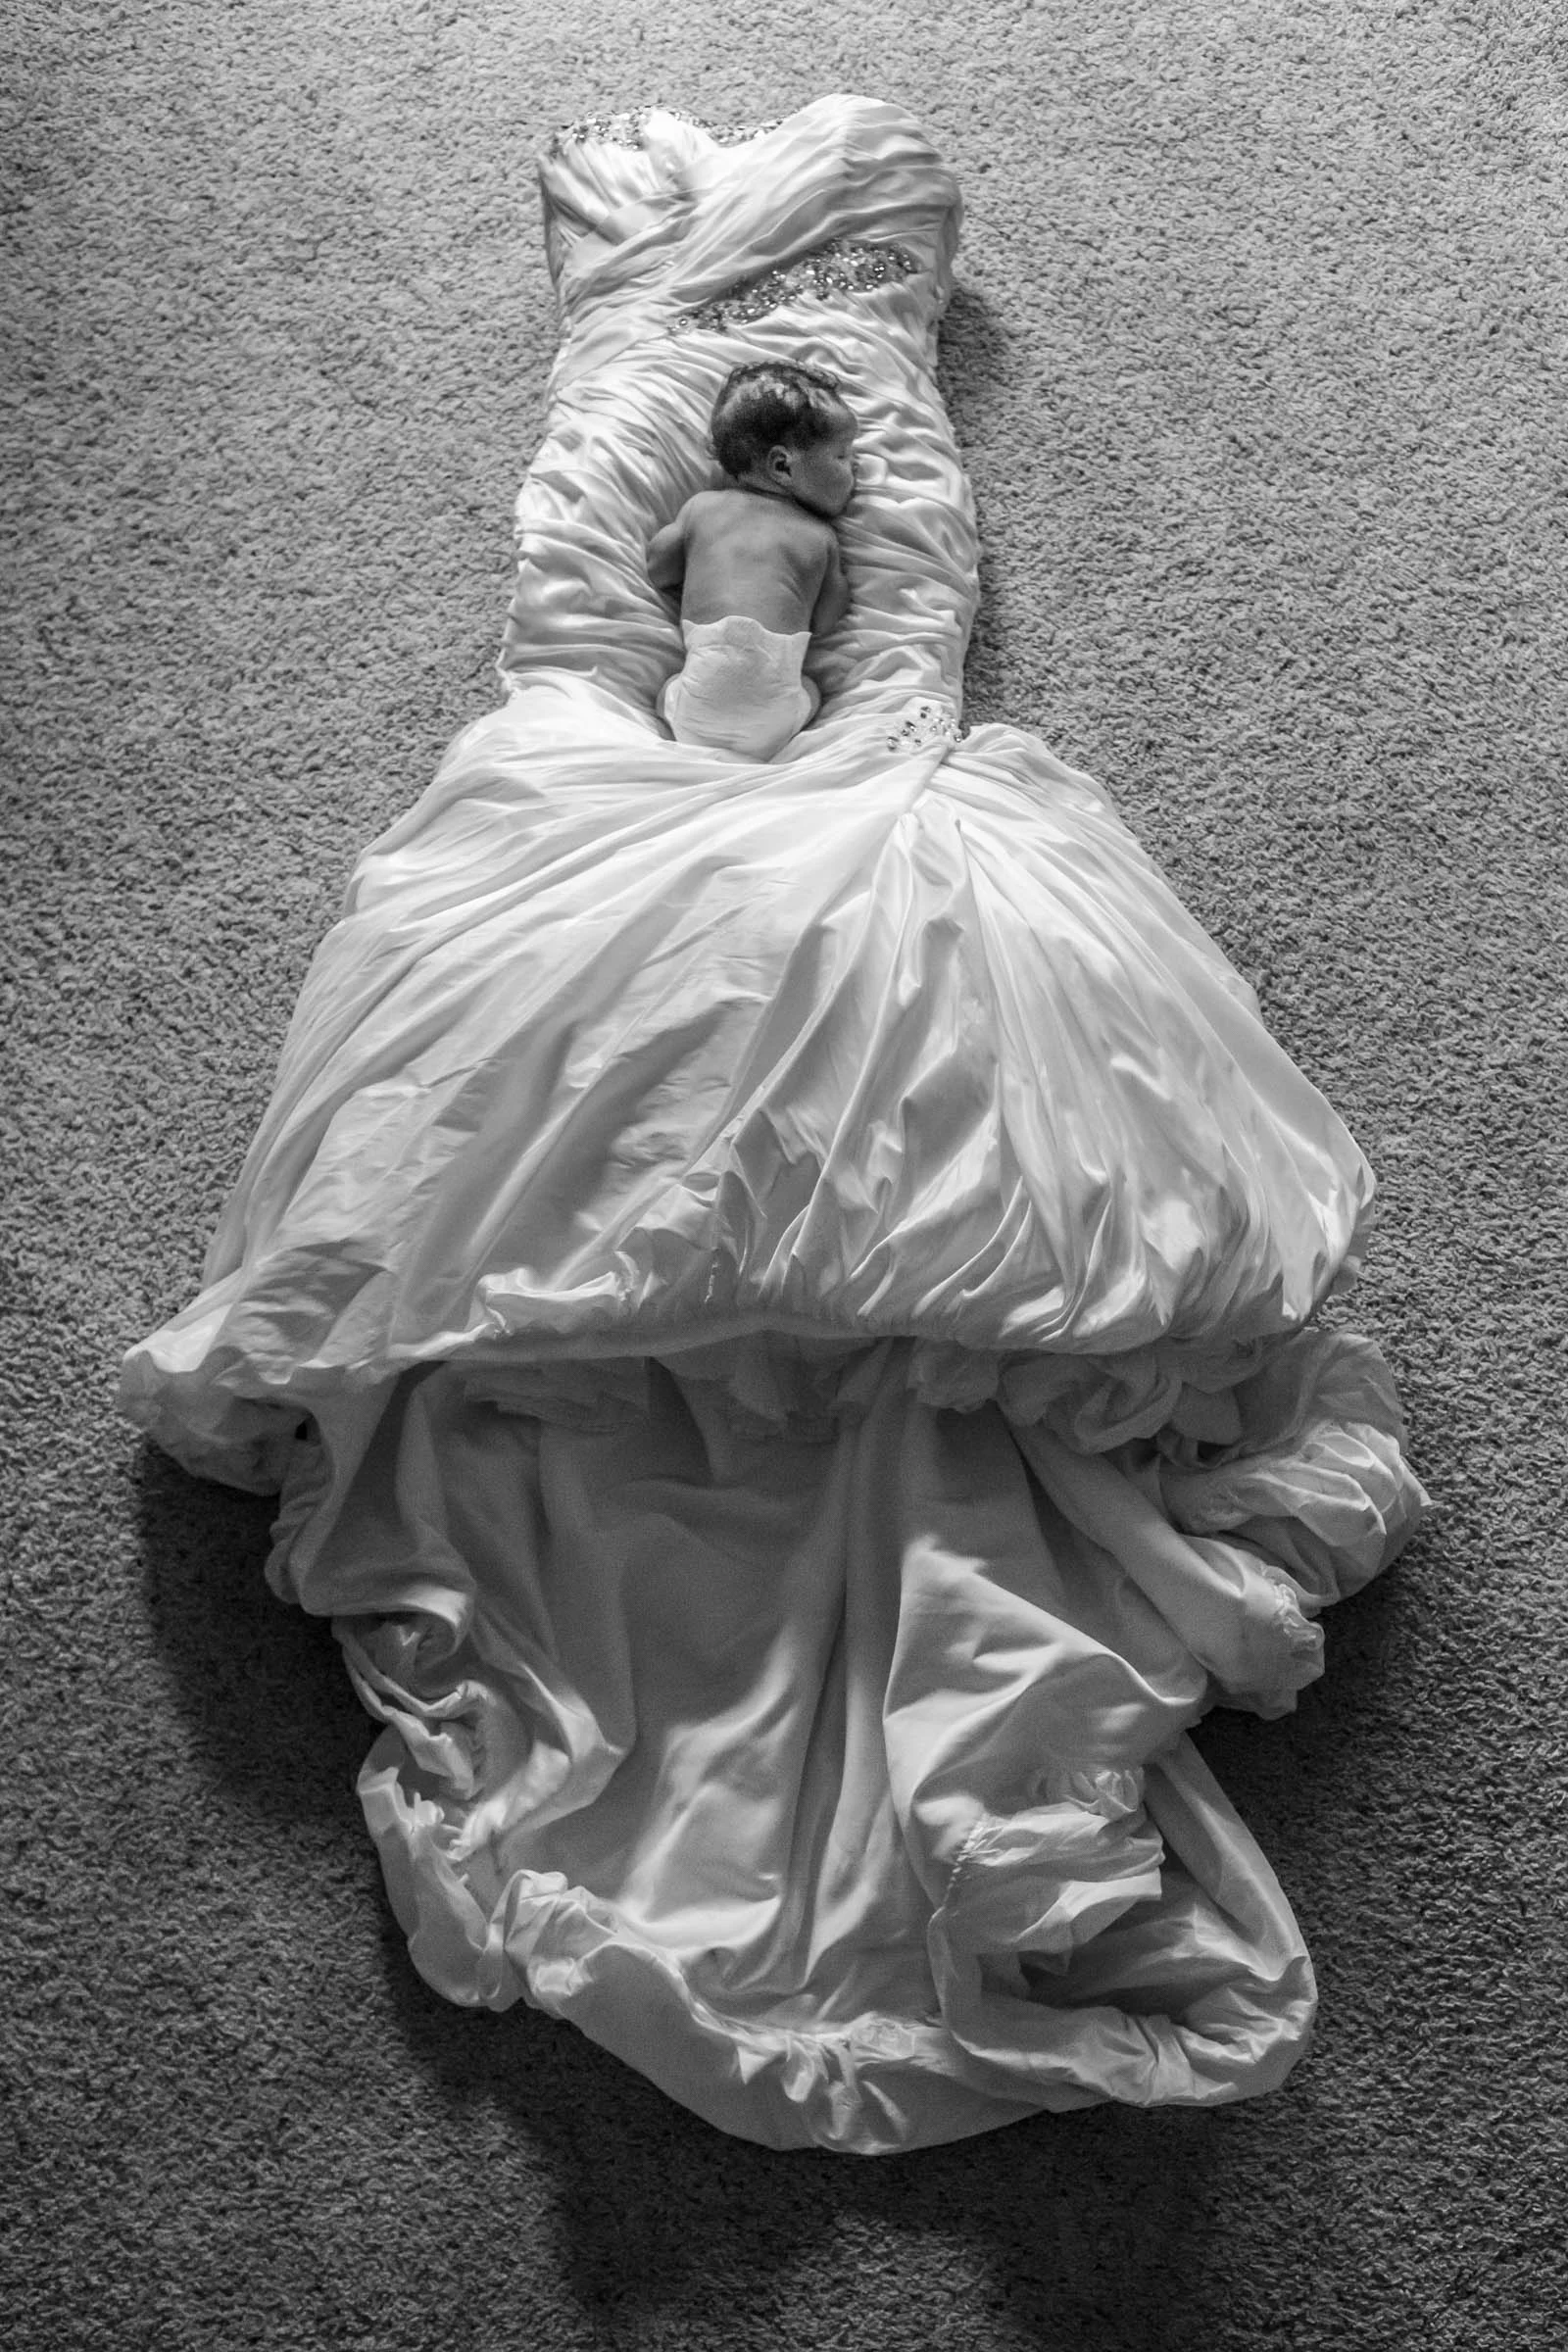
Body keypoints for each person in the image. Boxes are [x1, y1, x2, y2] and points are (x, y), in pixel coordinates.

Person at [648, 359, 856, 759]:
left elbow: (659, 568)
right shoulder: (819, 536)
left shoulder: (702, 509)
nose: (855, 470)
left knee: (665, 696)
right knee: (812, 690)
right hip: (774, 722)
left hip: (695, 711)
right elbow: (828, 619)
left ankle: (684, 730)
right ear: (782, 466)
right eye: (843, 457)